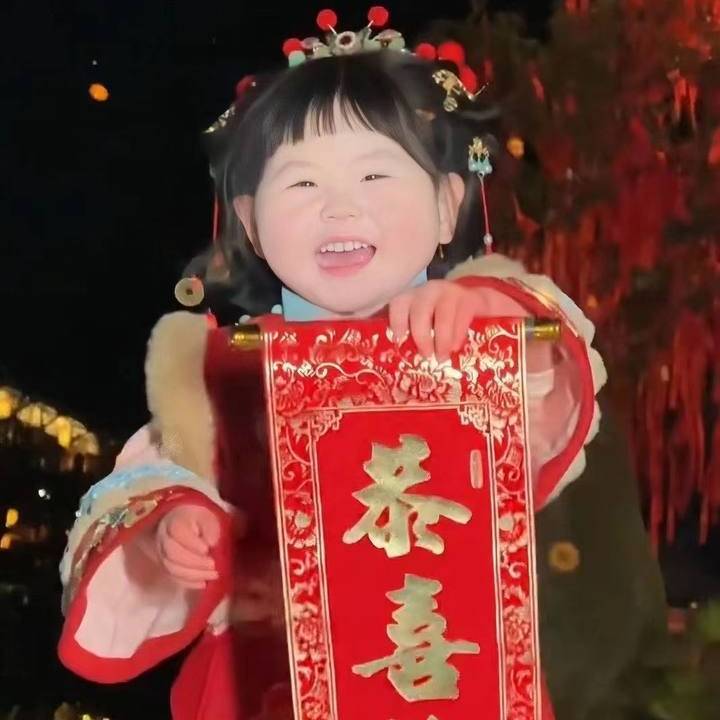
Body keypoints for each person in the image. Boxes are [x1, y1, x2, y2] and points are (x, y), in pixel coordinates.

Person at [57, 9, 660, 719]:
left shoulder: (481, 330)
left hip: (448, 672)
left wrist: (490, 312)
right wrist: (169, 535)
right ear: (250, 221)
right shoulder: (222, 373)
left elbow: (553, 386)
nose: (339, 209)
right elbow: (142, 491)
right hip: (266, 685)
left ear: (447, 205)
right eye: (302, 184)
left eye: (375, 173)